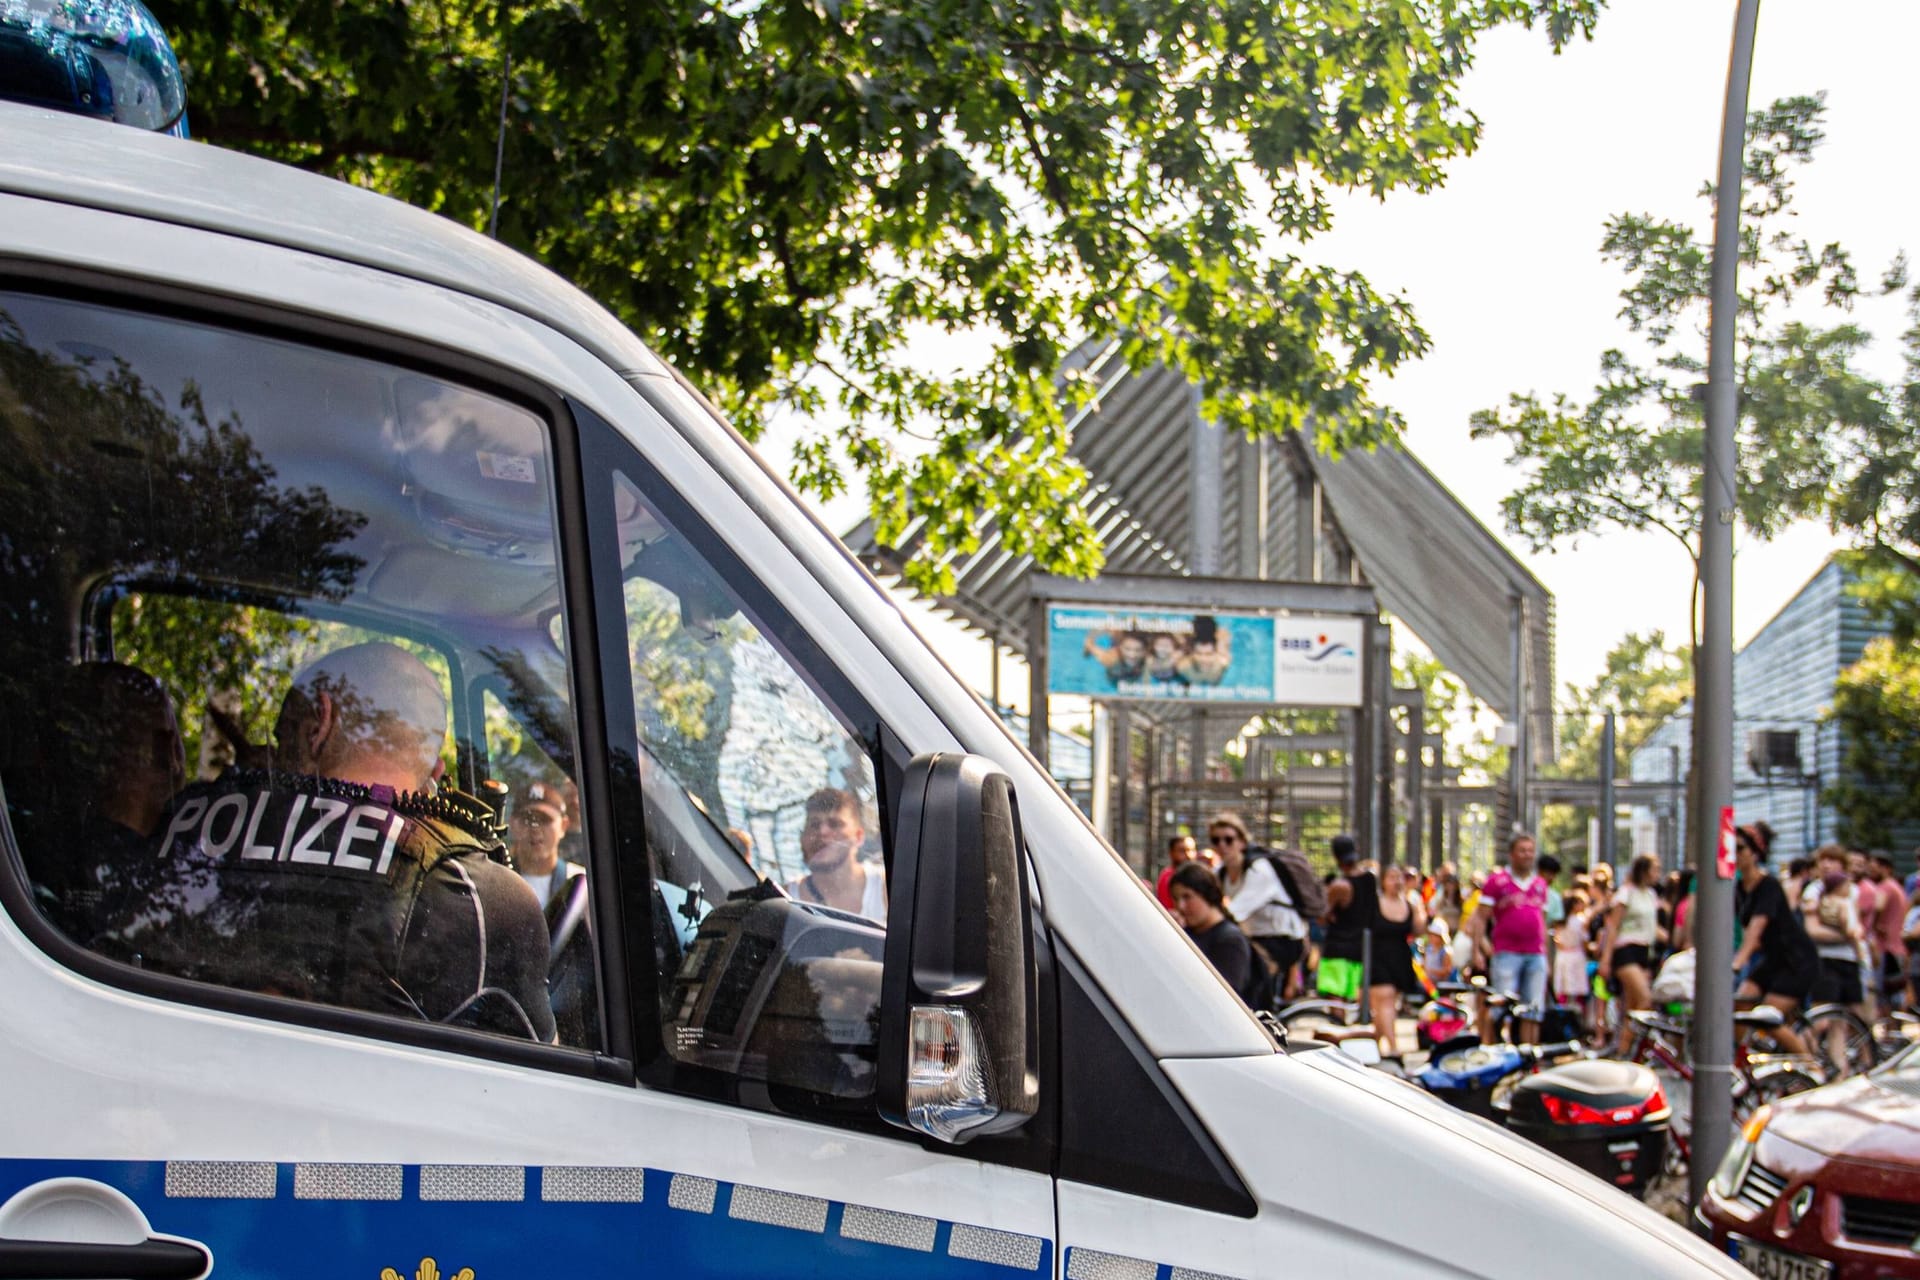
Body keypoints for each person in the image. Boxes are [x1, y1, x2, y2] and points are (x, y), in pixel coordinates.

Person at [102, 642, 556, 1042]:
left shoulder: (181, 825)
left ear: (319, 723)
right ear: (436, 772)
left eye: (279, 739)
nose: (275, 758)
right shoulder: (479, 898)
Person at [1731, 821, 1813, 1054]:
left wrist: (1737, 963)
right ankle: (1741, 1063)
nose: (1735, 854)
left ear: (1756, 853)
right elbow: (1744, 932)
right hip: (1772, 960)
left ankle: (1811, 1068)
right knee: (1741, 1004)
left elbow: (1758, 926)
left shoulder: (1769, 886)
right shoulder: (1738, 887)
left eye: (1740, 848)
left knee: (1764, 1018)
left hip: (1796, 960)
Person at [1211, 812, 1307, 1004]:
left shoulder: (1259, 870)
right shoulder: (1220, 873)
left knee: (1251, 978)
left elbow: (1235, 912)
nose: (1222, 845)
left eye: (1228, 840)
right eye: (1216, 840)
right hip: (1255, 938)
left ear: (1242, 843)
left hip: (1283, 940)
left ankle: (1262, 1024)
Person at [1471, 832, 1550, 1044]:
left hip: (1535, 953)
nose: (1527, 855)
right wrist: (1477, 949)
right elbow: (1480, 918)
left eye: (1530, 851)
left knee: (1533, 1009)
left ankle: (1527, 1055)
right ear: (1512, 854)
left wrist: (1547, 956)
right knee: (1499, 1006)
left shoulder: (1540, 884)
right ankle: (1490, 1048)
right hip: (1506, 953)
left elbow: (1543, 921)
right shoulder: (1497, 882)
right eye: (1522, 850)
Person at [1800, 843, 1869, 1070]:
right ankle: (1803, 1060)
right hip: (1824, 960)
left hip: (1848, 961)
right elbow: (1813, 931)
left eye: (1833, 860)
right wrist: (1845, 935)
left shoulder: (1853, 891)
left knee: (1847, 1019)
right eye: (1823, 860)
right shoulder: (1814, 890)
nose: (1827, 865)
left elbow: (1858, 926)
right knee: (1821, 1019)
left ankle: (1842, 1069)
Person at [785, 786, 885, 924]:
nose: (822, 831)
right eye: (814, 825)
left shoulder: (886, 887)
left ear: (859, 836)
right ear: (802, 837)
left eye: (835, 824)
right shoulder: (786, 900)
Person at [1167, 861, 1261, 1005]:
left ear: (1206, 894)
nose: (1181, 906)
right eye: (1176, 899)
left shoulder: (1230, 940)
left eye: (1187, 897)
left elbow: (1224, 998)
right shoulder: (1186, 932)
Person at [1597, 852, 1664, 1054]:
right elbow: (1613, 927)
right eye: (1654, 869)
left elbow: (1653, 927)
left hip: (1644, 952)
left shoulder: (1651, 895)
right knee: (1645, 998)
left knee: (1633, 1005)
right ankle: (1628, 1047)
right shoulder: (1626, 893)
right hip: (1625, 951)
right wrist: (1606, 959)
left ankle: (1625, 1048)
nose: (1657, 874)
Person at [1366, 864, 1425, 1056]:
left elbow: (1418, 931)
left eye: (1399, 877)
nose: (1396, 881)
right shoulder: (1374, 902)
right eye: (1391, 877)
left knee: (1389, 1005)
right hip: (1377, 957)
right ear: (1383, 881)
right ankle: (1392, 1047)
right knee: (1386, 1000)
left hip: (1399, 957)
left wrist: (1419, 909)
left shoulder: (1410, 904)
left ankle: (1373, 1044)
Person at [507, 777, 581, 908]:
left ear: (563, 826)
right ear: (513, 824)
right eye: (527, 819)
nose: (535, 828)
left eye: (545, 820)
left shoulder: (580, 885)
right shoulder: (498, 882)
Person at [1318, 835, 1375, 1002]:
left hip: (1338, 948)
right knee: (1357, 1000)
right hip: (1361, 947)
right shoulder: (1370, 879)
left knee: (1336, 996)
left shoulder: (1339, 886)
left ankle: (1337, 1025)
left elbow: (1322, 916)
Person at [1866, 853, 1909, 1013]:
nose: (1870, 871)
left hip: (1886, 947)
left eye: (1873, 867)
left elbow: (1878, 906)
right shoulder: (1896, 886)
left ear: (1886, 868)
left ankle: (1889, 1033)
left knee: (1883, 993)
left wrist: (1874, 924)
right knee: (1893, 994)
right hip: (1897, 946)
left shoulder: (1885, 887)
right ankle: (1892, 1031)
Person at [1155, 831, 1200, 911]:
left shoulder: (1197, 875)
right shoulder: (1168, 877)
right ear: (1171, 853)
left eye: (1192, 850)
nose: (1188, 855)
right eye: (1182, 851)